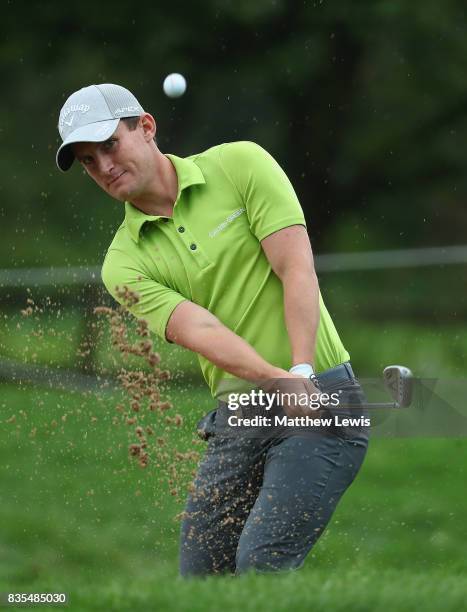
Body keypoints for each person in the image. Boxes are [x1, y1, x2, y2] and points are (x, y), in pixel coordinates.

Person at [56, 83, 369, 577]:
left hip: (323, 398)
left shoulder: (240, 164)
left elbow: (296, 268)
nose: (104, 166)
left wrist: (301, 368)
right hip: (242, 414)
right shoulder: (123, 263)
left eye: (109, 145)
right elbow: (200, 329)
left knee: (261, 563)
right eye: (88, 161)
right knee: (203, 576)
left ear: (146, 127)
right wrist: (275, 380)